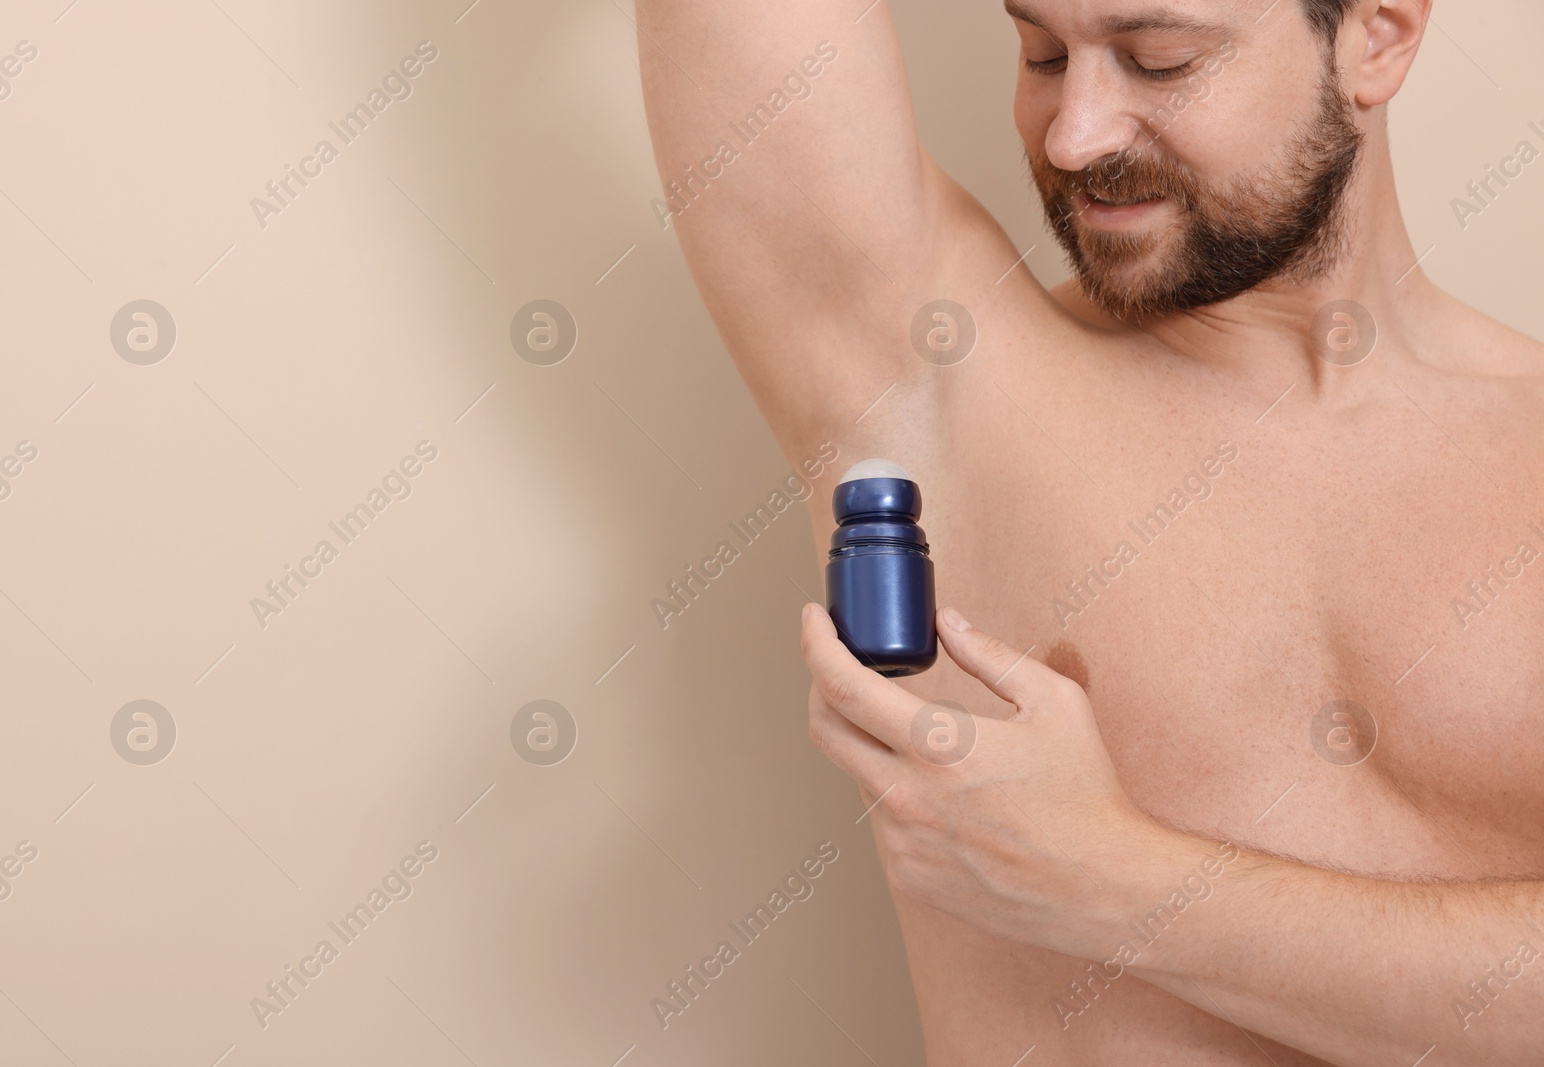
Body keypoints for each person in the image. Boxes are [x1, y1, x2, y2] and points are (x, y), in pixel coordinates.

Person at [637, 0, 1544, 1062]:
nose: (1074, 135)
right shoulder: (935, 380)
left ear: (1376, 35)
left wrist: (1110, 880)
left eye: (1159, 62)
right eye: (1042, 53)